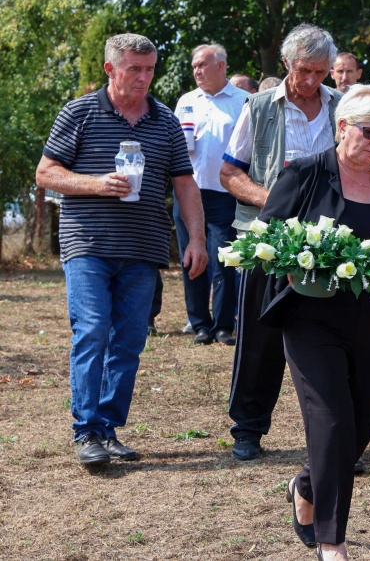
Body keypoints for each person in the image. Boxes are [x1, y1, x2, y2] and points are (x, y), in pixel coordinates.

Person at [257, 85, 370, 561]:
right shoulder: (305, 174)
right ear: (342, 127)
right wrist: (296, 262)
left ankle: (307, 484)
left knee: (361, 428)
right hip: (311, 318)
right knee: (333, 422)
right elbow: (267, 240)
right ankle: (330, 540)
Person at [35, 33, 208, 466]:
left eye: (150, 69)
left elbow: (185, 183)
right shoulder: (79, 112)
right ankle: (86, 431)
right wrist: (95, 184)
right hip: (88, 243)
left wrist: (198, 239)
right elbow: (46, 173)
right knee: (92, 330)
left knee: (129, 339)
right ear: (111, 69)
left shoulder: (165, 120)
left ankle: (108, 428)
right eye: (135, 69)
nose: (144, 78)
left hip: (144, 246)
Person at [220, 24, 342, 461]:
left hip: (329, 243)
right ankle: (247, 429)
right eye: (304, 70)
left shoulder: (341, 109)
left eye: (321, 72)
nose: (311, 81)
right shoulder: (257, 108)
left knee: (330, 343)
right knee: (259, 337)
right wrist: (274, 200)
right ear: (287, 63)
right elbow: (230, 174)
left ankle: (337, 438)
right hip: (268, 239)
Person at [173, 44, 250, 346]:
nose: (197, 71)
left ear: (221, 66)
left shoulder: (243, 101)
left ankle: (223, 326)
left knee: (225, 260)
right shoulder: (186, 101)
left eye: (203, 64)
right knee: (190, 258)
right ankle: (199, 324)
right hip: (189, 193)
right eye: (194, 66)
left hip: (225, 194)